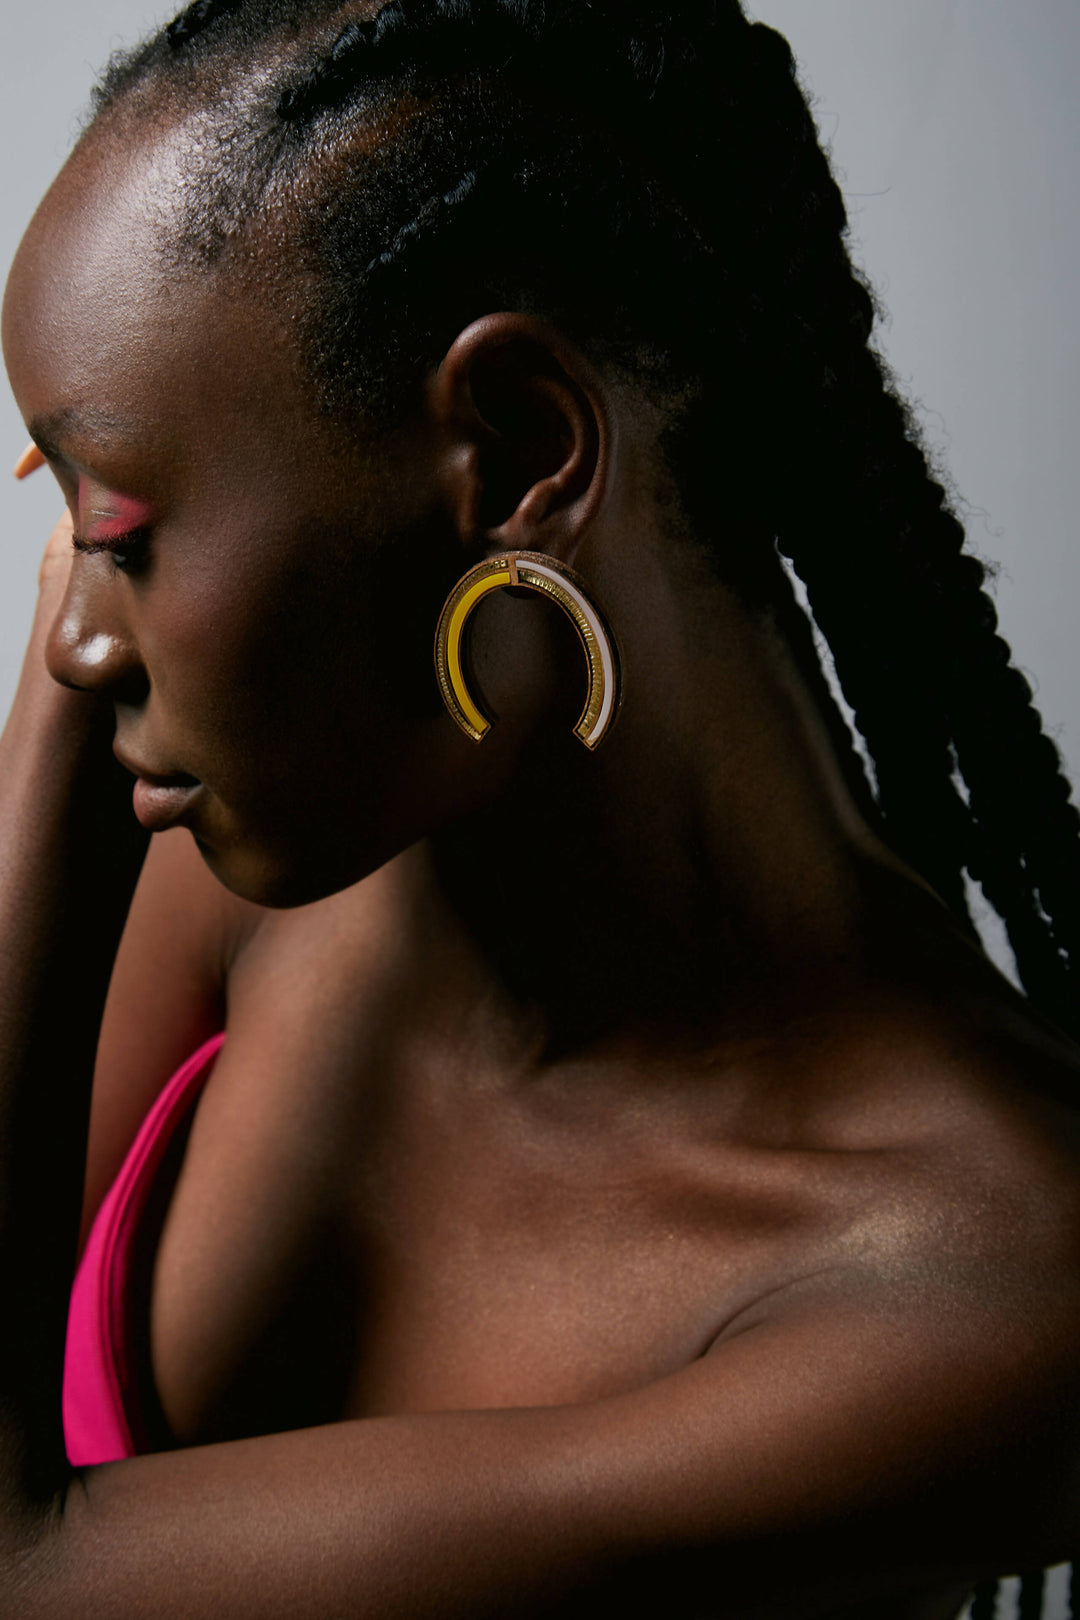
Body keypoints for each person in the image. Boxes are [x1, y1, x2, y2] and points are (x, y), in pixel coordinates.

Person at [0, 1, 1078, 1614]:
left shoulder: (990, 1275)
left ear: (520, 452)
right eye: (61, 507)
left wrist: (36, 765)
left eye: (125, 526)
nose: (76, 639)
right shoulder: (270, 850)